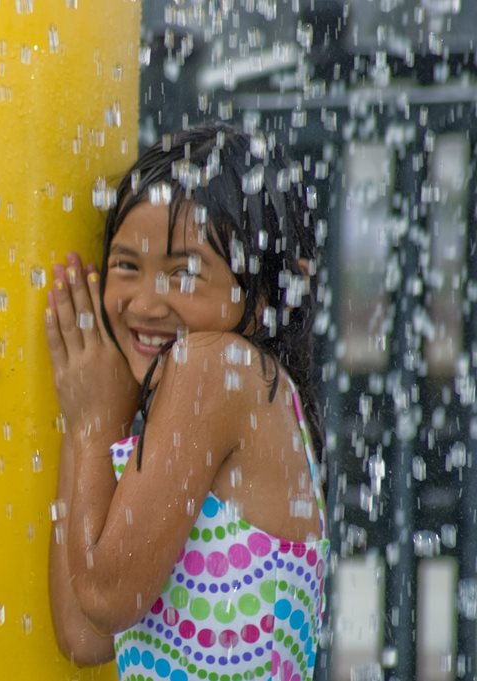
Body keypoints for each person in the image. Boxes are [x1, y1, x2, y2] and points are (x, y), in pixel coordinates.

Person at [45, 124, 329, 681]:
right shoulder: (241, 388)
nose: (147, 302)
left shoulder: (217, 366)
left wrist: (93, 423)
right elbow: (84, 634)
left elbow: (105, 593)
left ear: (268, 291)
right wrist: (90, 415)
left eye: (186, 273)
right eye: (127, 265)